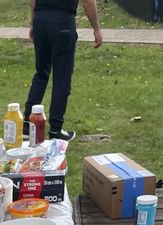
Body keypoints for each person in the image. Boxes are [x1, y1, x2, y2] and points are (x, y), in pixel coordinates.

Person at [23, 0, 103, 142]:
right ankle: (55, 130)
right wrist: (96, 28)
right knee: (62, 78)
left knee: (41, 73)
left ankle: (27, 126)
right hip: (62, 21)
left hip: (41, 19)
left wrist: (33, 22)